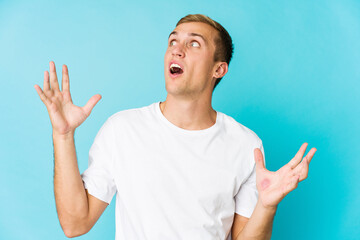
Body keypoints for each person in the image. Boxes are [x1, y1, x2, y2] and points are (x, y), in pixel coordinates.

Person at [34, 14, 317, 240]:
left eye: (194, 43)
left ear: (219, 69)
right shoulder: (123, 129)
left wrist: (267, 206)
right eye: (173, 41)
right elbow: (75, 223)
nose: (177, 50)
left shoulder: (245, 145)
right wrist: (63, 135)